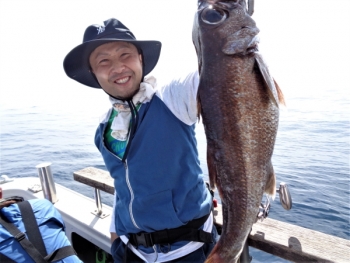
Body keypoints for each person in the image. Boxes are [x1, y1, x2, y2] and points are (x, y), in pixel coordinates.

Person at [63, 18, 218, 263]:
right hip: (129, 252)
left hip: (189, 251)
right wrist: (116, 236)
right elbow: (123, 186)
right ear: (93, 72)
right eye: (104, 61)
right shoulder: (105, 128)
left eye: (125, 55)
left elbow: (221, 74)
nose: (118, 67)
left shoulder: (173, 98)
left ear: (141, 59)